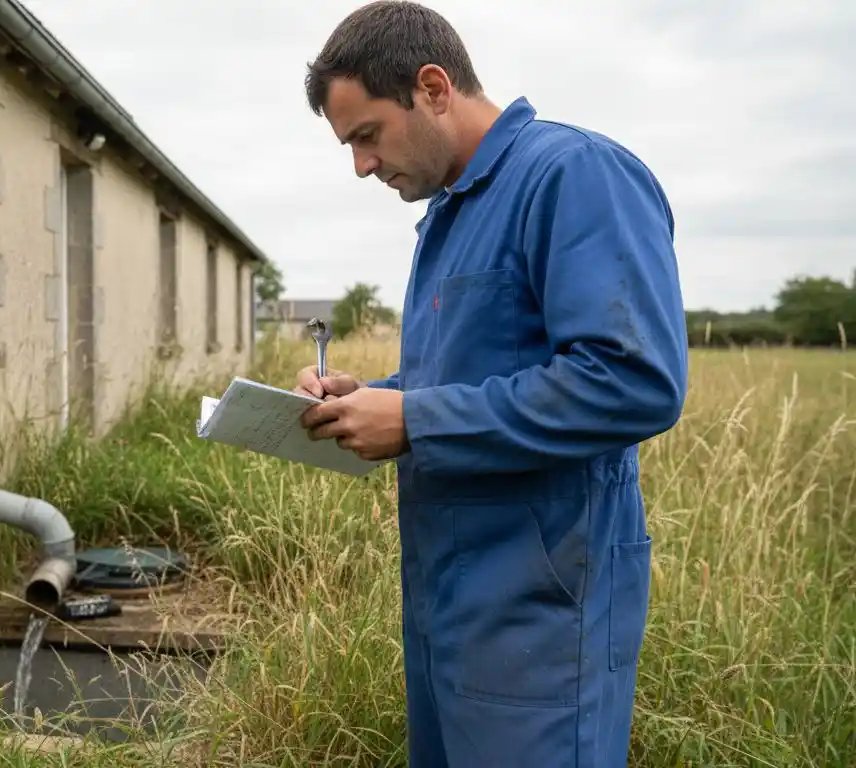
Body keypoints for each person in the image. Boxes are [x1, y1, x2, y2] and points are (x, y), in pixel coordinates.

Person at [294, 2, 689, 766]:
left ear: (434, 87)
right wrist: (368, 396)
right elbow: (466, 378)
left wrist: (415, 421)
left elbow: (634, 378)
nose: (362, 166)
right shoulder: (451, 213)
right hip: (449, 610)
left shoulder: (573, 174)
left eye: (367, 135)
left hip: (543, 623)